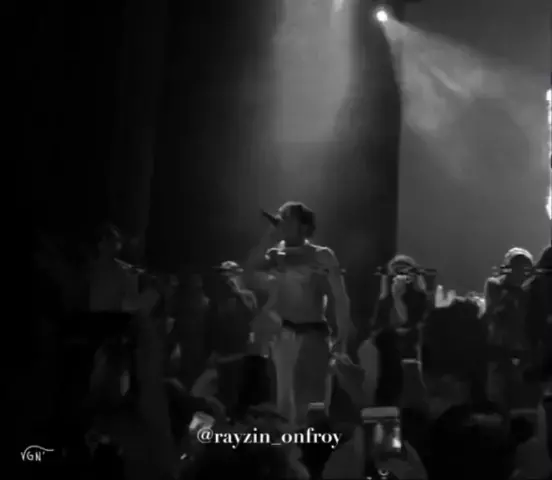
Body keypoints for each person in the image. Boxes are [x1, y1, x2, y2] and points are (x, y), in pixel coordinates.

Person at [243, 201, 352, 426]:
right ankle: (287, 445)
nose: (280, 221)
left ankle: (314, 443)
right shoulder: (274, 254)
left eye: (287, 217)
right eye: (279, 216)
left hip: (313, 335)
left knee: (314, 403)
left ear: (303, 226)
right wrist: (268, 238)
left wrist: (343, 333)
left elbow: (339, 296)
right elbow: (249, 273)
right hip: (283, 337)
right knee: (284, 404)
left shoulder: (322, 255)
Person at [484, 247, 534, 409]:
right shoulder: (496, 286)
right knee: (497, 396)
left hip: (520, 350)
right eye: (518, 268)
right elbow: (495, 311)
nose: (522, 274)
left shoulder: (528, 292)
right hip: (499, 348)